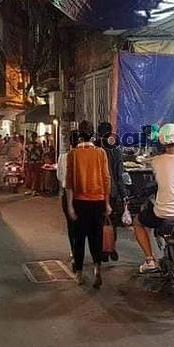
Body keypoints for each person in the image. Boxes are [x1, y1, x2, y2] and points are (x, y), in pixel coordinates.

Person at [132, 123, 174, 273]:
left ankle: (150, 261)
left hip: (162, 214)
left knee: (137, 222)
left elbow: (143, 161)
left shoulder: (157, 161)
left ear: (162, 141)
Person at [66, 120, 111, 288]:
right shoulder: (100, 153)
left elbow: (69, 183)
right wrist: (107, 203)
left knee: (79, 238)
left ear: (79, 135)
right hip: (98, 201)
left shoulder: (73, 154)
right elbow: (106, 179)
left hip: (80, 201)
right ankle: (97, 269)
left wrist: (70, 206)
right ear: (93, 135)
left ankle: (78, 274)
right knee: (96, 237)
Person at [96, 122, 127, 262]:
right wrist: (124, 194)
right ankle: (111, 247)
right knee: (111, 221)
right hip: (112, 191)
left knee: (99, 221)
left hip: (97, 191)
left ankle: (102, 251)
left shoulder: (95, 150)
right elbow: (119, 175)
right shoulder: (116, 150)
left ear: (98, 133)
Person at [56, 131, 81, 268]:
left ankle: (74, 253)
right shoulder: (87, 156)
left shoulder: (63, 157)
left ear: (70, 143)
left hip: (67, 194)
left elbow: (60, 177)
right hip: (84, 194)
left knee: (72, 226)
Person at [25, 131, 43, 195]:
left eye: (33, 136)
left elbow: (40, 153)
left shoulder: (38, 144)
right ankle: (31, 189)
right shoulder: (29, 144)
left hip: (36, 162)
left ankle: (34, 189)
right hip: (31, 162)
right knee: (30, 176)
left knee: (35, 176)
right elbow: (27, 152)